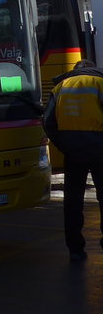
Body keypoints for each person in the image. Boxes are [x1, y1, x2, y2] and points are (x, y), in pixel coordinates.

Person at [43, 59, 103, 262]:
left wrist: (65, 145)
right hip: (100, 149)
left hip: (73, 152)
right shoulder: (99, 83)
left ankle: (75, 249)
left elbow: (48, 122)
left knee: (73, 201)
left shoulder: (61, 86)